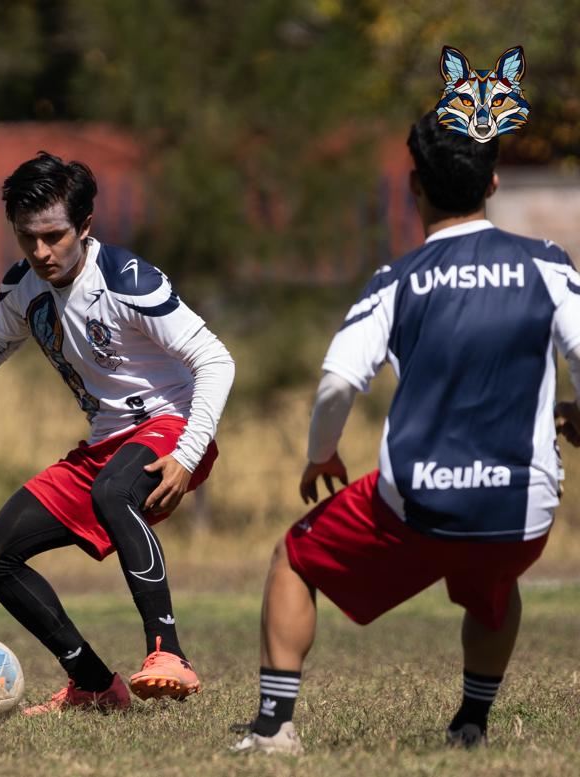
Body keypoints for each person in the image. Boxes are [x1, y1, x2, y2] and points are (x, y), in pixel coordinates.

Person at [231, 112, 580, 755]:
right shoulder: (547, 265)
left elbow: (338, 384)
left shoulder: (396, 281)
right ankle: (471, 724)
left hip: (415, 504)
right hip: (520, 509)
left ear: (413, 186)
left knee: (294, 557)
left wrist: (321, 455)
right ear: (494, 183)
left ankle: (275, 727)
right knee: (493, 586)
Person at [0, 152, 235, 713]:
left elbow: (215, 360)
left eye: (53, 236)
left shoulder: (127, 280)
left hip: (168, 423)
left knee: (113, 492)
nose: (40, 252)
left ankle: (168, 652)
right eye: (27, 238)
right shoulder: (25, 284)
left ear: (85, 227)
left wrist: (188, 451)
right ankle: (94, 684)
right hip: (105, 440)